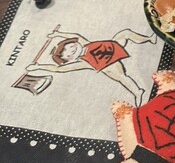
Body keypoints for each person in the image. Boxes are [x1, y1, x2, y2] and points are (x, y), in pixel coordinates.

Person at [27, 29, 157, 106]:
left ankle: (149, 38)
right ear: (69, 60)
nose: (71, 50)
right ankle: (137, 92)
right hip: (109, 65)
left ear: (73, 42)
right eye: (68, 55)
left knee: (126, 33)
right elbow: (59, 69)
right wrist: (38, 67)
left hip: (113, 46)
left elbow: (74, 34)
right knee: (122, 78)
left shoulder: (84, 43)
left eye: (70, 47)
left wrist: (58, 34)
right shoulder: (83, 62)